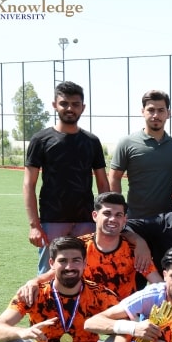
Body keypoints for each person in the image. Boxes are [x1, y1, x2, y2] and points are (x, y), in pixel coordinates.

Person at [23, 81, 109, 274]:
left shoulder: (92, 142)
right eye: (64, 103)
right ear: (55, 105)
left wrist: (104, 217)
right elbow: (29, 184)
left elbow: (103, 184)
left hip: (87, 220)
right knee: (49, 274)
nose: (70, 108)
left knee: (88, 271)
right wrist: (34, 225)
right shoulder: (41, 140)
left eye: (75, 104)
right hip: (51, 220)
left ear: (83, 107)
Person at [19, 192, 162, 304]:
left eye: (118, 215)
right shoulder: (78, 246)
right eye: (107, 213)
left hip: (122, 316)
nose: (112, 219)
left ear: (124, 219)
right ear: (95, 215)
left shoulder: (135, 250)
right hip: (84, 313)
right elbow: (53, 273)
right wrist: (34, 282)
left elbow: (158, 283)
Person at [110, 90, 172, 219]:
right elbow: (115, 177)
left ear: (168, 113)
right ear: (142, 112)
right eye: (151, 110)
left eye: (161, 110)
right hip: (136, 218)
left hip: (170, 218)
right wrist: (118, 209)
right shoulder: (127, 142)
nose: (156, 115)